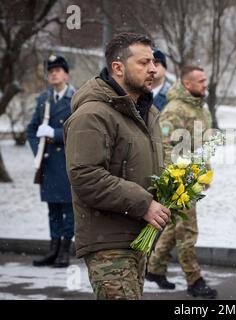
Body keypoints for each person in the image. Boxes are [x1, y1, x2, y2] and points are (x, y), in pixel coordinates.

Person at [64, 32, 171, 300]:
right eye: (144, 62)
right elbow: (85, 175)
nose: (153, 69)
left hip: (136, 236)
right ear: (118, 68)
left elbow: (149, 161)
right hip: (108, 241)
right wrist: (144, 204)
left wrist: (176, 184)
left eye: (154, 62)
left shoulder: (145, 111)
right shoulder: (93, 114)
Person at [145, 65, 218, 299]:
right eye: (201, 81)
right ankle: (194, 280)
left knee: (173, 226)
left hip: (194, 177)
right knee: (187, 230)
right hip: (179, 179)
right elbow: (165, 147)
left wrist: (204, 172)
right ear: (188, 84)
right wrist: (176, 180)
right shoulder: (174, 110)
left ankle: (154, 268)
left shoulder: (200, 107)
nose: (206, 84)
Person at [26, 55, 76, 268]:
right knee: (53, 210)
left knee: (69, 209)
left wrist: (55, 134)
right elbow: (31, 129)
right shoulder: (43, 100)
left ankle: (65, 250)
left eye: (58, 70)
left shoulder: (75, 99)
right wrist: (39, 151)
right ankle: (53, 250)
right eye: (50, 71)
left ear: (66, 74)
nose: (53, 73)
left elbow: (80, 131)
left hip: (67, 163)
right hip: (48, 163)